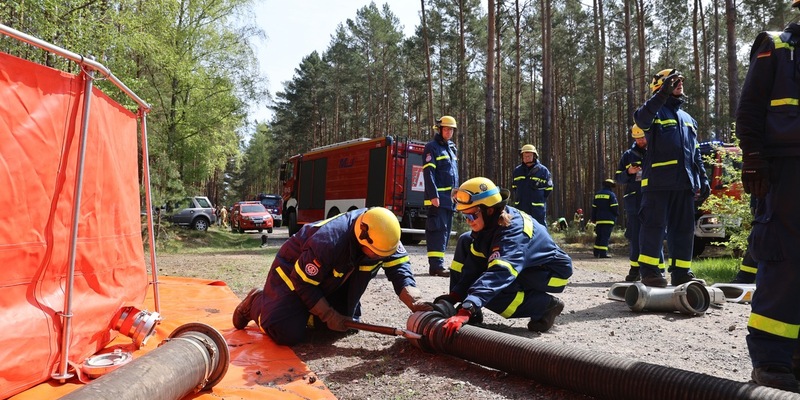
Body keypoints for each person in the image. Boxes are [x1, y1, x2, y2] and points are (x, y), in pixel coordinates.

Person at [231, 207, 432, 346]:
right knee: (285, 332)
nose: (382, 258)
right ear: (362, 240)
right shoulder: (329, 241)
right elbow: (303, 282)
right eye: (378, 255)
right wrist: (328, 314)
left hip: (332, 278)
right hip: (293, 274)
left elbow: (399, 269)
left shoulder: (383, 232)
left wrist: (416, 301)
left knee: (344, 324)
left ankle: (308, 315)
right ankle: (256, 303)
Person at [736, 5, 800, 391]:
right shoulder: (776, 45)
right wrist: (753, 156)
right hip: (786, 168)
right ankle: (771, 361)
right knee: (784, 259)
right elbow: (752, 106)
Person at [435, 177, 573, 337]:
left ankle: (544, 306)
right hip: (524, 266)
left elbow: (500, 273)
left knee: (493, 291)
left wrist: (469, 306)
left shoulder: (514, 234)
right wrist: (457, 295)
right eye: (464, 216)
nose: (468, 221)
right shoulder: (489, 225)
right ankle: (469, 305)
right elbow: (474, 266)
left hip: (549, 272)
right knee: (466, 240)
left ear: (489, 210)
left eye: (471, 216)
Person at [633, 68, 710, 288]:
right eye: (673, 81)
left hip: (684, 184)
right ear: (661, 85)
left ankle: (681, 273)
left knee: (684, 230)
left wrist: (702, 178)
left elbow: (694, 151)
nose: (679, 84)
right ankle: (649, 272)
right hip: (658, 183)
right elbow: (641, 118)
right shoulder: (654, 112)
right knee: (654, 227)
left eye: (680, 81)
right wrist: (661, 96)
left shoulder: (688, 119)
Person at [423, 115, 459, 277]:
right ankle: (436, 266)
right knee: (437, 230)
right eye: (446, 129)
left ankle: (439, 264)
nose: (449, 132)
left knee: (445, 231)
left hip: (450, 199)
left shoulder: (452, 148)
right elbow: (428, 173)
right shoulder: (432, 147)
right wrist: (433, 195)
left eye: (451, 129)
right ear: (439, 129)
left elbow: (454, 175)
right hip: (438, 199)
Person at [615, 124, 647, 280]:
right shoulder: (628, 155)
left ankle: (655, 270)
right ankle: (635, 270)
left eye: (642, 137)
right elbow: (618, 178)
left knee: (654, 234)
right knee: (635, 236)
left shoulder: (656, 152)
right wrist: (629, 172)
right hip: (634, 200)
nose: (640, 141)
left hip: (653, 199)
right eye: (637, 138)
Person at [511, 144, 553, 226]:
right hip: (521, 208)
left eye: (529, 156)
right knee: (521, 229)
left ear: (534, 156)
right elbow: (514, 187)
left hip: (537, 209)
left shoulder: (543, 171)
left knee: (540, 230)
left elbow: (549, 188)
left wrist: (539, 199)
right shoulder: (517, 171)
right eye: (524, 156)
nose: (526, 158)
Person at [591, 179, 618, 258]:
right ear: (611, 186)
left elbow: (594, 208)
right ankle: (603, 253)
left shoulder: (597, 194)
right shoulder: (611, 195)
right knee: (605, 236)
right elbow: (614, 207)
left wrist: (593, 218)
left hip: (599, 219)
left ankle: (596, 252)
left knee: (599, 236)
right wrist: (616, 214)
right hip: (608, 219)